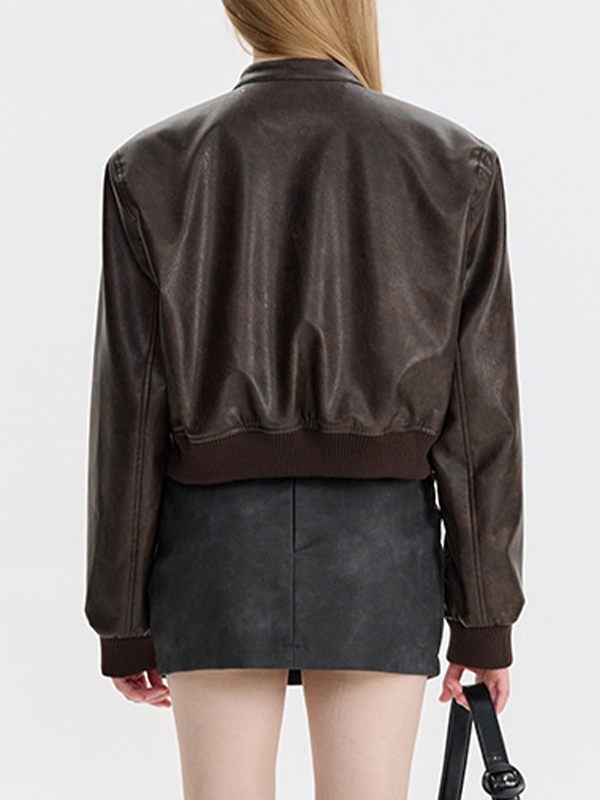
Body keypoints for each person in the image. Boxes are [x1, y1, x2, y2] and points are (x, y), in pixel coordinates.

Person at [84, 1, 526, 798]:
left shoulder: (149, 166)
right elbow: (478, 415)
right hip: (379, 559)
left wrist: (121, 619)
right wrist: (485, 617)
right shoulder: (455, 165)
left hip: (215, 556)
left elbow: (131, 409)